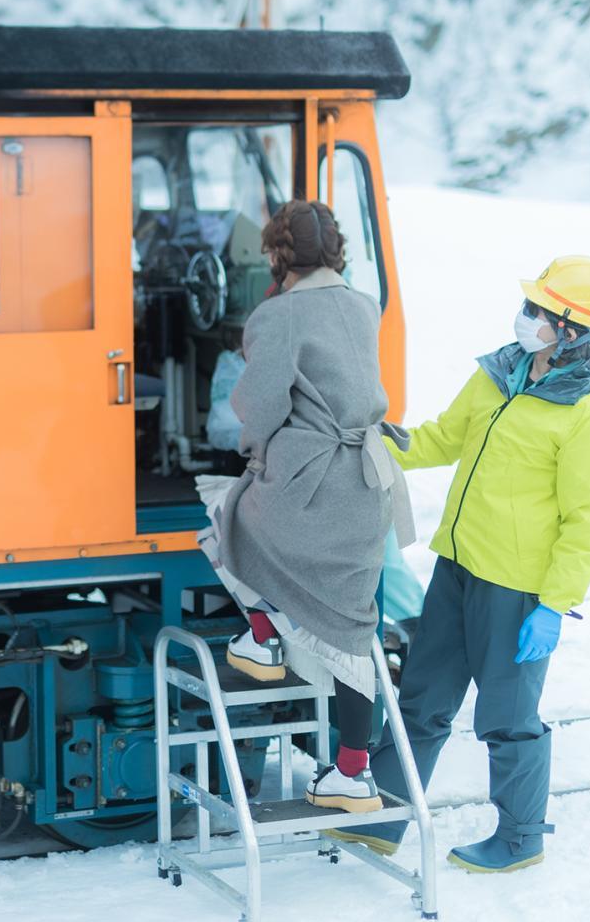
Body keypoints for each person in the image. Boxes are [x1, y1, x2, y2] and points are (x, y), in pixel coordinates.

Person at [330, 255, 590, 873]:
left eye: (540, 310)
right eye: (531, 305)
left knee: (508, 719)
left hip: (517, 589)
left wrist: (551, 605)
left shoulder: (587, 416)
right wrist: (383, 446)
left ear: (570, 329)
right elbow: (445, 437)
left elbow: (586, 520)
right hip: (457, 566)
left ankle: (520, 839)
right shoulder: (497, 375)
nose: (526, 317)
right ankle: (383, 818)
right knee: (422, 699)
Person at [195, 200, 415, 814]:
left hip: (311, 484)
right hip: (368, 484)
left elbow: (261, 406)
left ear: (275, 255)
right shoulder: (362, 304)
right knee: (350, 629)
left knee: (226, 516)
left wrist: (252, 451)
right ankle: (352, 774)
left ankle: (262, 635)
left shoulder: (279, 314)